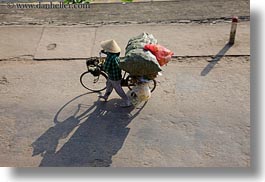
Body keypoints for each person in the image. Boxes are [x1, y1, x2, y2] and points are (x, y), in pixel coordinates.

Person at [98, 39, 132, 107]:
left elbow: (106, 68)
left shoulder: (109, 58)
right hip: (115, 74)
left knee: (118, 89)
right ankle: (105, 96)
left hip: (114, 77)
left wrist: (101, 66)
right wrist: (104, 52)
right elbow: (109, 53)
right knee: (108, 84)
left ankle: (127, 101)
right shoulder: (115, 54)